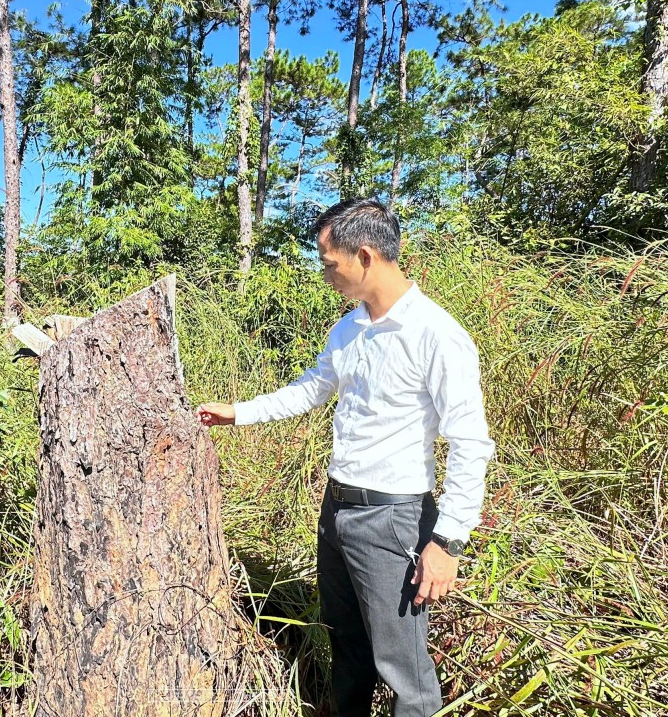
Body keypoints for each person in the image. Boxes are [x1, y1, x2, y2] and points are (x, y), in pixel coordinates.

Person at [196, 198, 494, 717]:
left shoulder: (437, 335)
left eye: (330, 263)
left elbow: (469, 442)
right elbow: (312, 389)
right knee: (347, 646)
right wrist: (236, 413)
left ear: (365, 255)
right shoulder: (350, 328)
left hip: (393, 518)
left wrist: (447, 540)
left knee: (404, 669)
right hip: (336, 511)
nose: (326, 273)